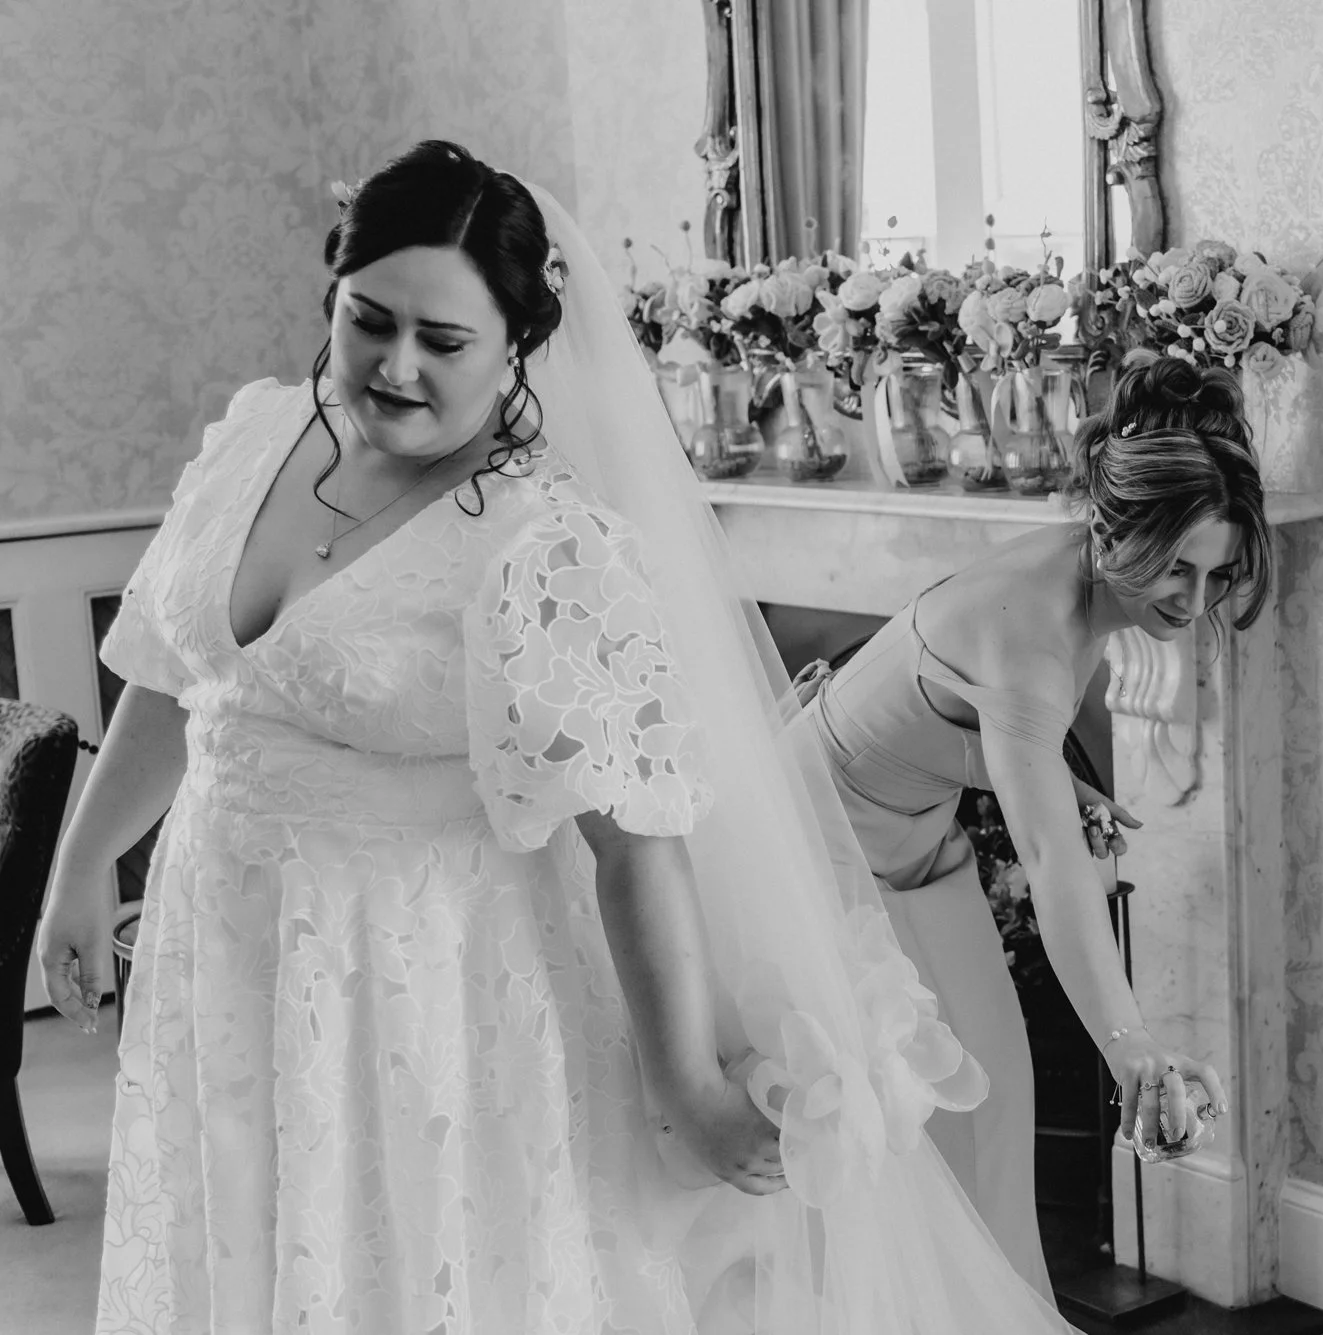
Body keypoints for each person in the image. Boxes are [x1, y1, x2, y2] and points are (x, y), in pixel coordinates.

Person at [36, 140, 1076, 1334]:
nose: (396, 366)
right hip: (220, 948)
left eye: (445, 342)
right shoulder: (254, 439)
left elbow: (638, 842)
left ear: (516, 348)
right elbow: (178, 684)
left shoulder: (547, 545)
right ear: (332, 289)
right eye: (369, 319)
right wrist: (79, 869)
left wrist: (684, 1081)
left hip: (416, 991)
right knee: (241, 1255)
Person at [788, 352, 1256, 1296]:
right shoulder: (1035, 641)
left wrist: (1041, 777)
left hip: (918, 841)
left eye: (1216, 574)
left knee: (990, 1090)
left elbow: (955, 719)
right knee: (869, 1123)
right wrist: (1130, 1047)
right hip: (818, 853)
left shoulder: (1077, 576)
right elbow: (1050, 864)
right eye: (1175, 568)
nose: (1192, 603)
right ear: (1115, 526)